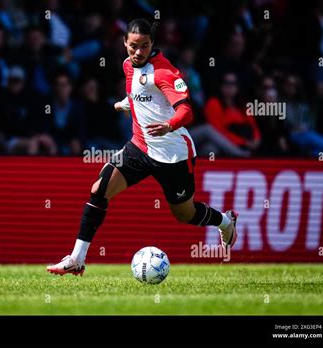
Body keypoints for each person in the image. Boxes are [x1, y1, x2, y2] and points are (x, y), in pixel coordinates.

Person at [47, 19, 239, 276]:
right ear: (125, 43)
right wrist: (127, 103)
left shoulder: (165, 73)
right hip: (139, 147)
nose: (139, 52)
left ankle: (225, 221)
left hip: (173, 155)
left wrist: (169, 125)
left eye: (145, 46)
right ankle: (76, 259)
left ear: (152, 45)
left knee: (185, 214)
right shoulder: (127, 65)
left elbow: (185, 111)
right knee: (99, 190)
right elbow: (140, 91)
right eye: (134, 46)